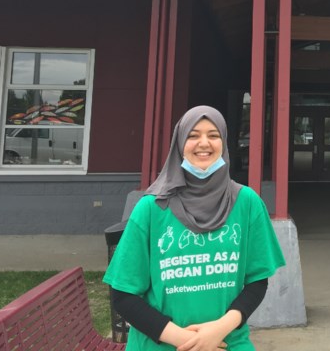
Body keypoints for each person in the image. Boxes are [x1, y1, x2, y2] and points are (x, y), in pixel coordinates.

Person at [104, 105, 286, 351]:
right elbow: (123, 296)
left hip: (225, 342)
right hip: (161, 344)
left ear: (224, 143)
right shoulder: (151, 208)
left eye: (213, 135)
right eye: (193, 135)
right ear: (179, 144)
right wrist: (189, 342)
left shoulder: (248, 203)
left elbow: (257, 281)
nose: (204, 143)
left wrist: (218, 330)